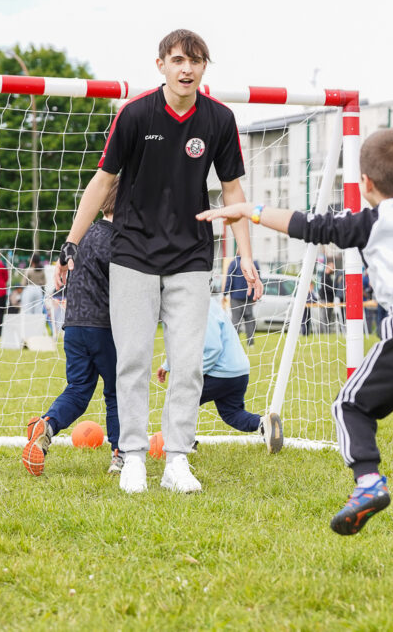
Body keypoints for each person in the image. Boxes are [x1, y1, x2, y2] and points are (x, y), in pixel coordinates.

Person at [198, 85, 393, 600]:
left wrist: (248, 212)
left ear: (366, 183)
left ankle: (369, 482)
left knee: (350, 404)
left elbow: (309, 226)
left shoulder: (370, 222)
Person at [59, 29, 262, 495]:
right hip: (132, 254)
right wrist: (71, 244)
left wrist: (246, 256)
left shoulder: (219, 120)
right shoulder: (134, 114)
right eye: (177, 60)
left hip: (191, 256)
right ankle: (131, 458)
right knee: (132, 359)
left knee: (188, 364)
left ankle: (176, 460)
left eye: (195, 61)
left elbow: (233, 192)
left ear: (205, 68)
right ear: (161, 65)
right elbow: (102, 180)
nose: (186, 68)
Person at [24, 183, 123, 476]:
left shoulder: (83, 235)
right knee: (117, 391)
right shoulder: (116, 240)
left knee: (79, 389)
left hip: (74, 326)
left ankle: (47, 425)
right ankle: (120, 454)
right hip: (102, 325)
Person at [156, 297, 283, 450]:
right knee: (232, 413)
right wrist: (168, 364)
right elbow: (183, 341)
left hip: (221, 371)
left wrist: (190, 374)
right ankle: (263, 423)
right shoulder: (204, 303)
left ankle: (184, 444)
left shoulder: (201, 306)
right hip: (238, 372)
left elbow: (213, 348)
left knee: (180, 399)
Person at [224, 255, 260, 346]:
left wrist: (225, 293)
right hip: (248, 296)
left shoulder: (234, 263)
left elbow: (229, 278)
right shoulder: (253, 263)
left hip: (236, 297)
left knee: (236, 320)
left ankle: (234, 343)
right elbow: (258, 279)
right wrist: (256, 295)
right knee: (249, 319)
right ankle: (250, 343)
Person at [318, 259, 338, 334]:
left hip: (329, 300)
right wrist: (334, 289)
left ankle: (326, 332)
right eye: (333, 267)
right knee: (324, 317)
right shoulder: (324, 276)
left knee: (327, 317)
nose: (334, 269)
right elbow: (325, 288)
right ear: (329, 267)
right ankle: (324, 332)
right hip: (324, 300)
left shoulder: (329, 276)